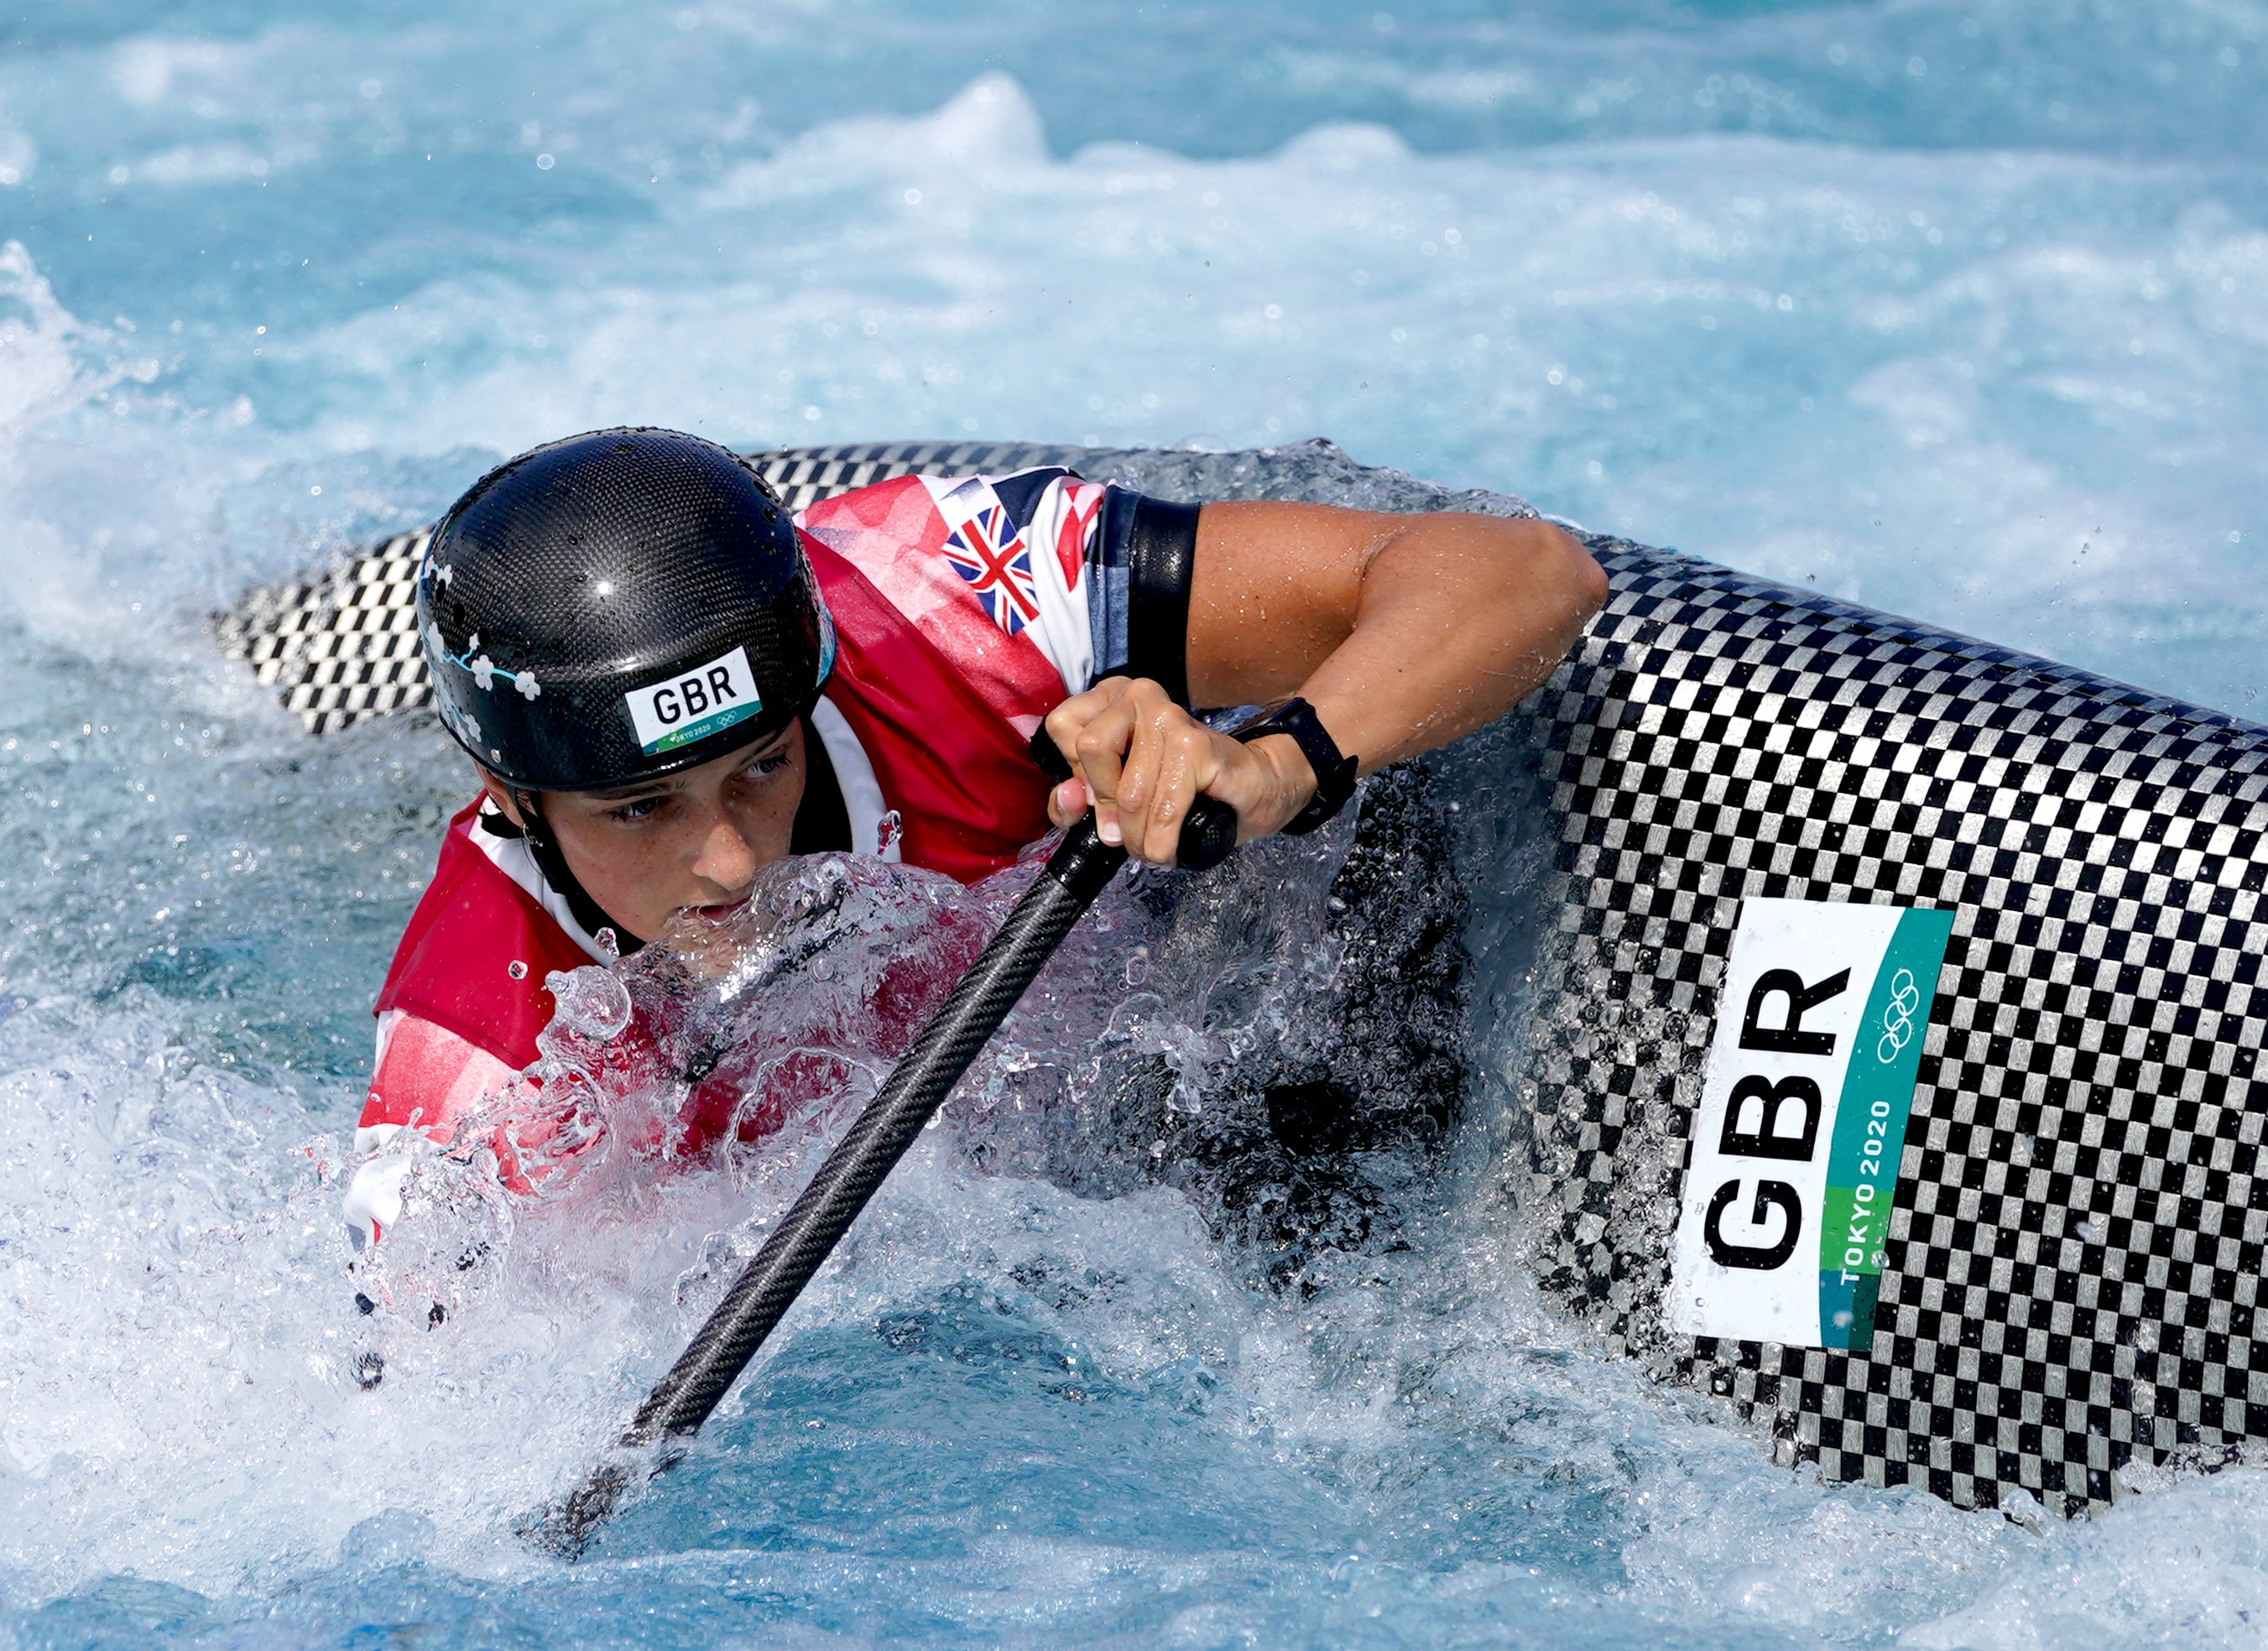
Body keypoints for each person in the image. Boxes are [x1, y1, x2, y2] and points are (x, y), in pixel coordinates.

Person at [344, 427, 1607, 1243]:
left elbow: (1528, 573)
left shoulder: (943, 595)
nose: (729, 860)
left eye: (762, 766)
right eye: (639, 810)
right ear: (509, 797)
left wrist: (1275, 761)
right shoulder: (475, 1083)